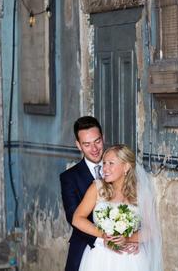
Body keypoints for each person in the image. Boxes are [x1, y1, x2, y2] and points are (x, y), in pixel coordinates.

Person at [72, 144, 163, 271]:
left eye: (111, 163)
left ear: (126, 167)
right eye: (104, 163)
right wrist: (103, 235)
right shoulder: (97, 188)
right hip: (99, 257)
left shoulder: (141, 192)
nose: (105, 168)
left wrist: (128, 239)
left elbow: (152, 230)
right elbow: (77, 218)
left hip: (130, 259)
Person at [60, 116, 105, 271]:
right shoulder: (69, 177)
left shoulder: (117, 168)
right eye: (87, 144)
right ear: (78, 145)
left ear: (103, 138)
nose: (94, 149)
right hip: (87, 246)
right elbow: (72, 216)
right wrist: (103, 240)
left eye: (97, 141)